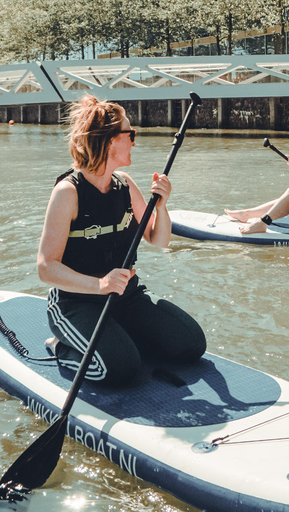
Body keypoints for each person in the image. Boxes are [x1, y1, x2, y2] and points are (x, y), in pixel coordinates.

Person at [37, 95, 206, 387]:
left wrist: (162, 206)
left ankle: (122, 338)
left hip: (125, 298)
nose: (135, 141)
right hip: (76, 303)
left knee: (190, 344)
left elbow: (158, 239)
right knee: (119, 369)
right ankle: (62, 346)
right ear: (110, 140)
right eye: (131, 134)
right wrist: (99, 285)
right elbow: (46, 267)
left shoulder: (125, 185)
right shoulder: (68, 192)